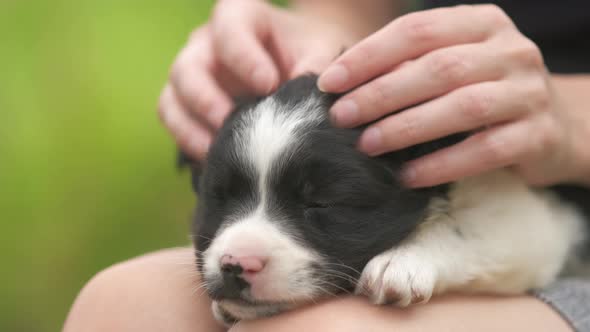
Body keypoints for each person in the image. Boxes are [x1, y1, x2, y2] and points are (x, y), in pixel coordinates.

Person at [64, 1, 590, 331]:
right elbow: (348, 12)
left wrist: (570, 116)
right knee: (121, 306)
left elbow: (539, 239)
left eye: (317, 203)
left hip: (565, 242)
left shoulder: (467, 184)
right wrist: (313, 28)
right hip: (407, 114)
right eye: (225, 196)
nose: (238, 254)